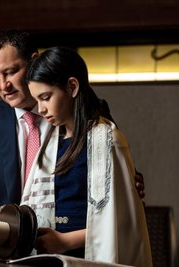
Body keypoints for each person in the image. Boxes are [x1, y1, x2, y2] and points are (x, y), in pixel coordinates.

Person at [0, 29, 145, 218]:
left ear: (34, 61)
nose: (3, 85)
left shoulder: (84, 110)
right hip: (9, 239)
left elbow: (113, 168)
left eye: (10, 72)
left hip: (71, 236)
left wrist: (130, 183)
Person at [22, 46, 152, 266]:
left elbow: (121, 222)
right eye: (37, 100)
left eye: (46, 97)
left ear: (72, 87)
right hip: (51, 255)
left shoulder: (107, 138)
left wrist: (65, 241)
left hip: (88, 256)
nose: (41, 109)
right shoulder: (50, 141)